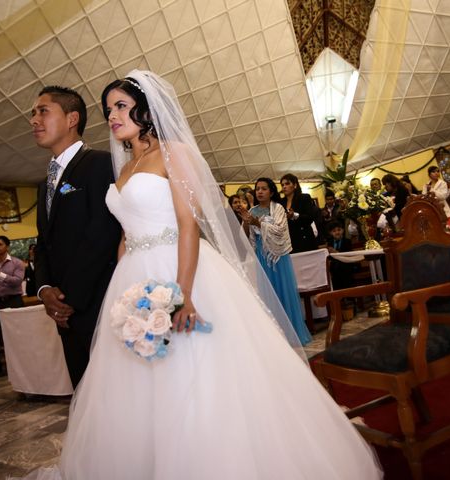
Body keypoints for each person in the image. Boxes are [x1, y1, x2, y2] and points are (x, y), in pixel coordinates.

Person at [20, 71, 382, 480]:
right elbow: (123, 234)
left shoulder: (174, 154)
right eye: (108, 110)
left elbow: (188, 225)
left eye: (121, 106)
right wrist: (122, 290)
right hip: (133, 277)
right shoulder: (124, 165)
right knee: (136, 385)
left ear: (146, 109)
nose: (113, 116)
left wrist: (182, 293)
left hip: (180, 267)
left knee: (197, 377)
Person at [31, 85, 122, 388]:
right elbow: (44, 243)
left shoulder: (99, 164)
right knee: (83, 395)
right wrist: (44, 289)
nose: (34, 120)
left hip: (96, 304)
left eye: (43, 111)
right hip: (63, 313)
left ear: (72, 119)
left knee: (112, 394)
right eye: (33, 113)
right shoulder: (45, 184)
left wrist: (68, 298)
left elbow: (103, 233)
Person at [241, 177, 312, 345]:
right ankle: (275, 336)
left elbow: (280, 231)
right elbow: (248, 235)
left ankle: (291, 332)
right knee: (268, 294)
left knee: (284, 292)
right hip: (263, 256)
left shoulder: (278, 208)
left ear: (271, 192)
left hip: (278, 257)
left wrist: (258, 223)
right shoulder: (252, 211)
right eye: (257, 188)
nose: (259, 191)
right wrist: (246, 222)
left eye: (264, 188)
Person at [279, 173, 319, 252]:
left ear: (295, 185)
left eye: (287, 183)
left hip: (305, 239)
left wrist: (294, 215)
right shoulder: (281, 202)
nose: (284, 186)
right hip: (289, 240)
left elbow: (310, 218)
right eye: (282, 184)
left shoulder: (304, 198)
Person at [327, 221, 356, 291]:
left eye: (339, 230)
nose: (337, 232)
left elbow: (348, 256)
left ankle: (349, 296)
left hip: (346, 266)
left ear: (342, 230)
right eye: (334, 231)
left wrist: (336, 252)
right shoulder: (330, 243)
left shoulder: (347, 241)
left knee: (343, 272)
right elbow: (329, 258)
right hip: (334, 269)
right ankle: (339, 298)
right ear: (331, 233)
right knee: (333, 274)